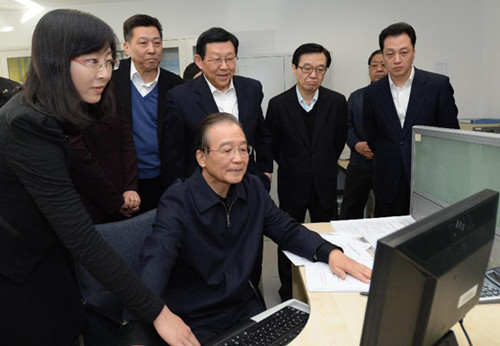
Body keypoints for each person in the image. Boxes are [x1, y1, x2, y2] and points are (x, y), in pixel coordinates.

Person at [0, 9, 198, 346]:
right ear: (56, 61)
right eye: (93, 62)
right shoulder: (27, 124)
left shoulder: (47, 112)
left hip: (47, 256)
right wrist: (158, 312)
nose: (105, 74)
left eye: (109, 61)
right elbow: (80, 236)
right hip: (19, 270)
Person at [131, 113, 371, 344]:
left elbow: (286, 229)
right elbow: (157, 258)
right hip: (196, 318)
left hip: (242, 306)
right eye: (226, 150)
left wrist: (330, 252)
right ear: (201, 157)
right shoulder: (179, 200)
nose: (238, 158)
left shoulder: (252, 188)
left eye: (244, 149)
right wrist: (156, 312)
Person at [266, 43, 348, 302]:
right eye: (307, 68)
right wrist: (296, 165)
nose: (313, 74)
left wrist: (320, 164)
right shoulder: (278, 104)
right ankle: (288, 291)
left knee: (325, 237)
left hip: (324, 183)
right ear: (294, 68)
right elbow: (273, 145)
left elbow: (338, 141)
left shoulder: (336, 102)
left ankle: (324, 289)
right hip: (292, 184)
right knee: (286, 239)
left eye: (320, 69)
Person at [363, 22, 459, 217]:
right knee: (388, 239)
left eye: (404, 52)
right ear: (383, 56)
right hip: (388, 183)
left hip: (430, 183)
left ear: (414, 52)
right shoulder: (373, 93)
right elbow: (372, 135)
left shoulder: (437, 86)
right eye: (390, 54)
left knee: (429, 240)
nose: (397, 59)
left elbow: (450, 136)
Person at [164, 27, 273, 191]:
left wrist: (265, 172)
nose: (224, 66)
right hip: (202, 187)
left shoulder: (251, 89)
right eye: (216, 60)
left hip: (247, 182)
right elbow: (174, 154)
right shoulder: (180, 97)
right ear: (199, 61)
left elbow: (261, 134)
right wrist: (180, 190)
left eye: (230, 59)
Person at [112, 14, 184, 213]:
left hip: (167, 180)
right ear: (127, 47)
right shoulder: (110, 83)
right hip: (124, 183)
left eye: (157, 43)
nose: (152, 50)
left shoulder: (177, 86)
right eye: (143, 43)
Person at [68, 112, 141, 224]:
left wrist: (130, 188)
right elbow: (81, 162)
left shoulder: (110, 98)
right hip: (90, 203)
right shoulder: (65, 111)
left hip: (123, 196)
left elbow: (126, 142)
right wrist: (116, 202)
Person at [340, 50, 387, 220]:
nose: (379, 69)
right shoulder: (356, 96)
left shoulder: (397, 98)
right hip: (359, 163)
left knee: (385, 211)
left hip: (386, 165)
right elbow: (346, 126)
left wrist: (380, 148)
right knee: (350, 209)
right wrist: (356, 144)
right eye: (374, 65)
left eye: (383, 65)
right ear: (369, 69)